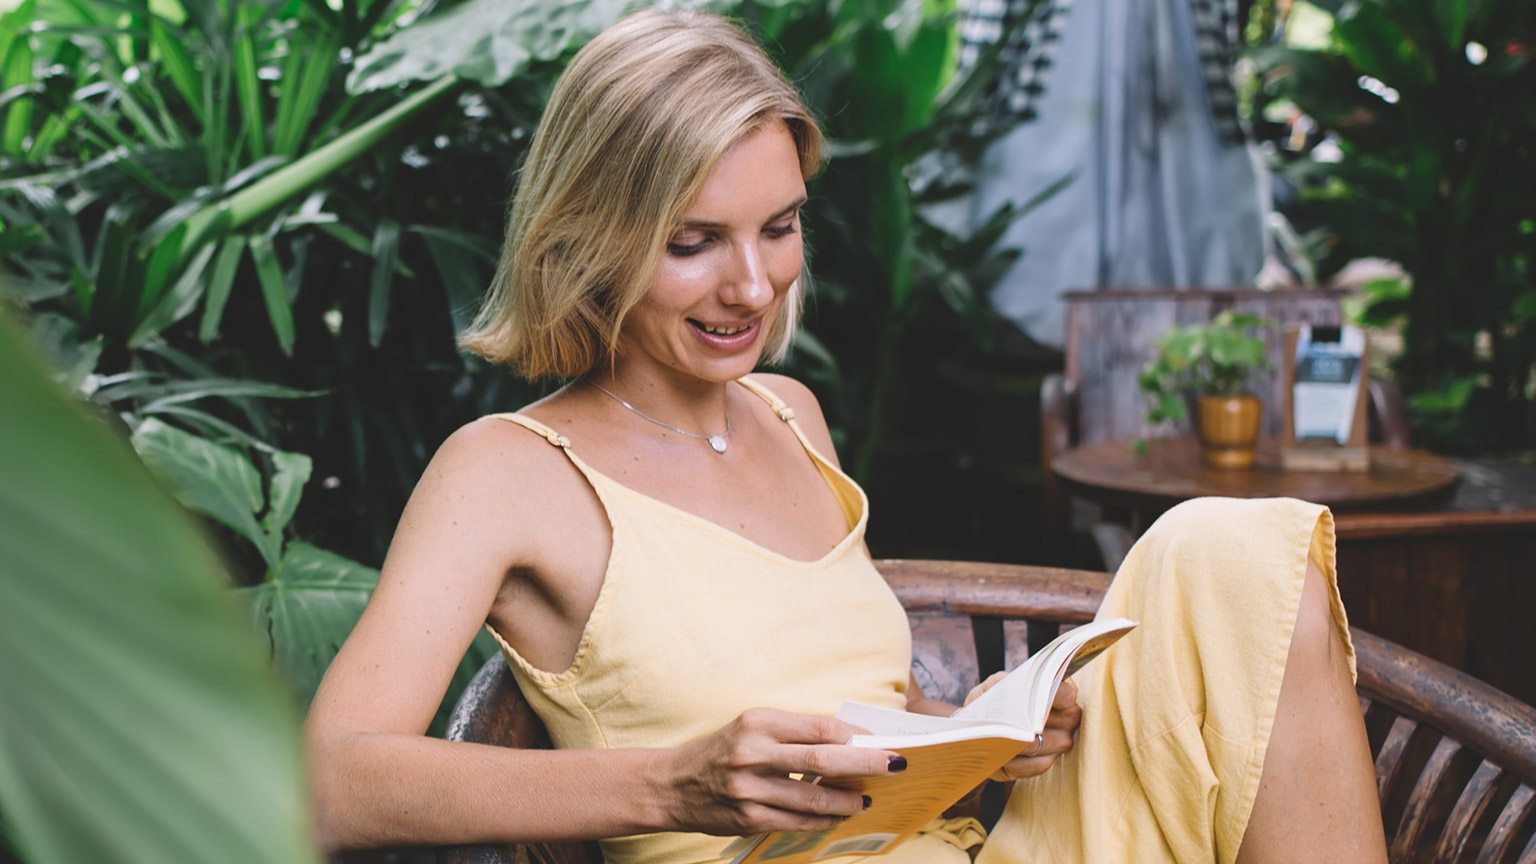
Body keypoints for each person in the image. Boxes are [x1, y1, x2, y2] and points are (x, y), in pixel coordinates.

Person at [304, 9, 1388, 864]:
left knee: (1230, 549)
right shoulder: (506, 472)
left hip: (970, 848)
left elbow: (846, 711)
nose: (751, 283)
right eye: (692, 242)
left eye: (778, 228)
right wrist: (671, 783)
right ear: (591, 237)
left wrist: (974, 733)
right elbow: (328, 785)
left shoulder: (792, 416)